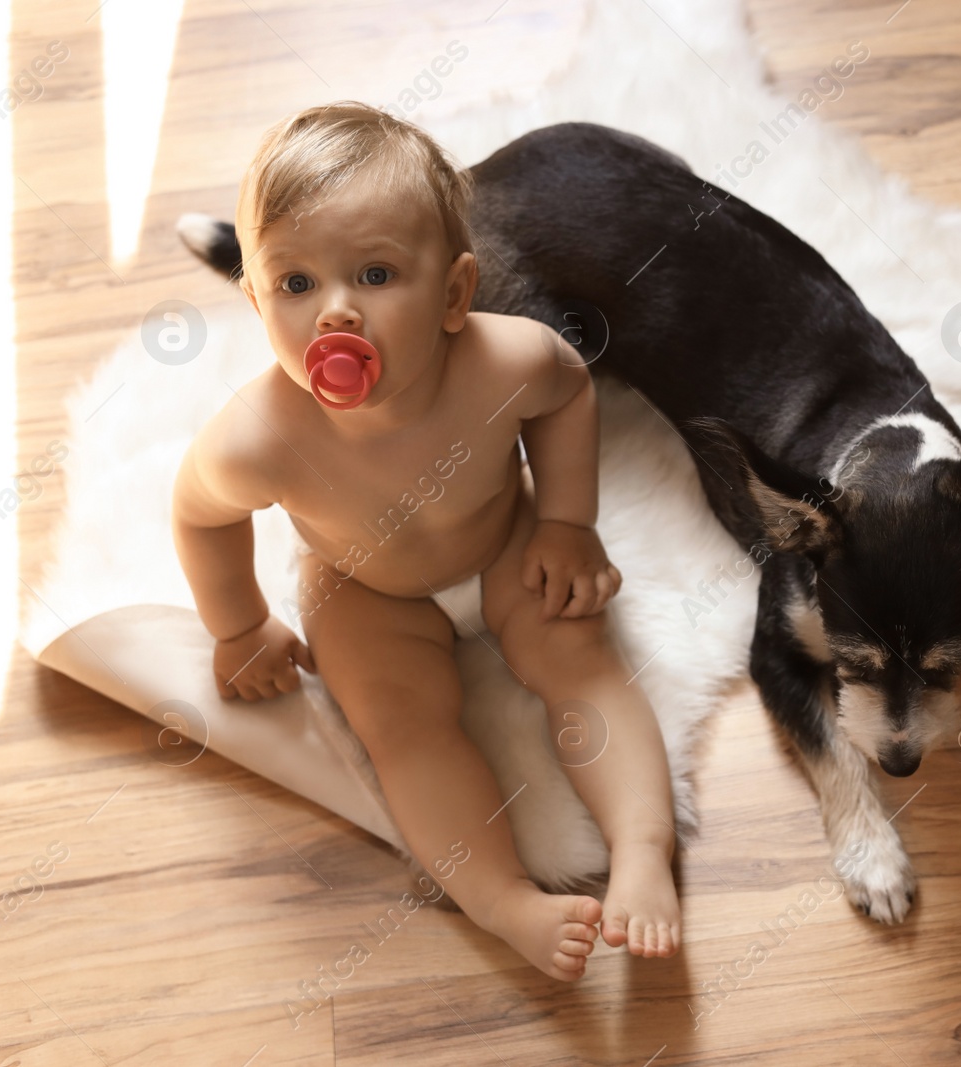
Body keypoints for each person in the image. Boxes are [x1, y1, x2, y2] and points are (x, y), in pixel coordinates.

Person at [171, 101, 680, 981]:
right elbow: (199, 512)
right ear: (254, 300)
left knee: (581, 659)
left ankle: (643, 849)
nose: (335, 315)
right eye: (295, 285)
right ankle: (502, 899)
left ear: (454, 293)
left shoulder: (507, 361)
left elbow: (567, 397)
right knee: (404, 726)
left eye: (374, 274)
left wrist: (566, 521)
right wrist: (239, 625)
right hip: (362, 582)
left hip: (502, 538)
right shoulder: (257, 437)